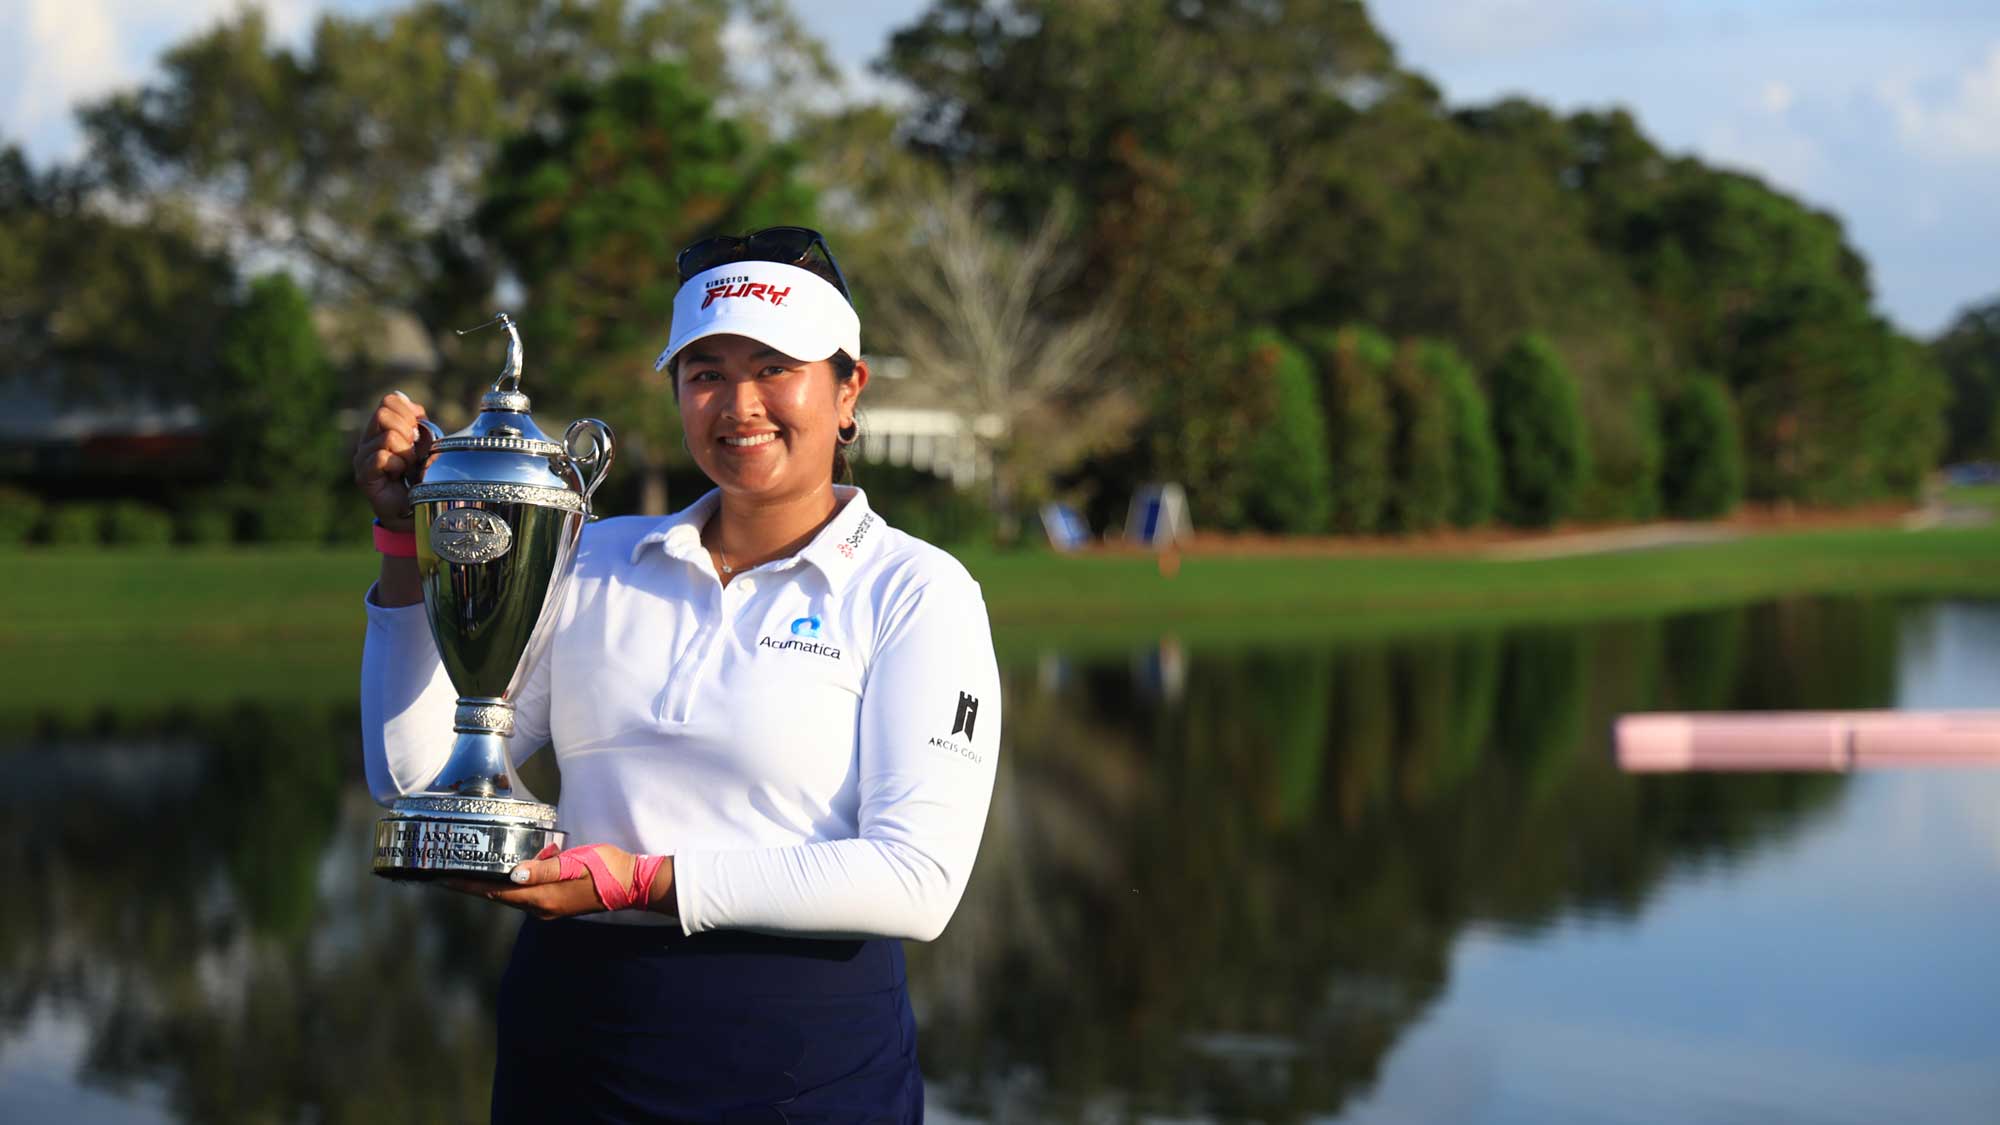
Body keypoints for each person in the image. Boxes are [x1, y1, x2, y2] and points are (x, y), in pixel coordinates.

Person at [352, 226, 1002, 1122]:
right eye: (705, 373)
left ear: (849, 389)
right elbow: (419, 777)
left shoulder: (917, 591)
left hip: (803, 1068)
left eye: (775, 367)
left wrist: (640, 880)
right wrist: (403, 545)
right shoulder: (594, 558)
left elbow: (916, 879)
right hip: (570, 1055)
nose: (739, 403)